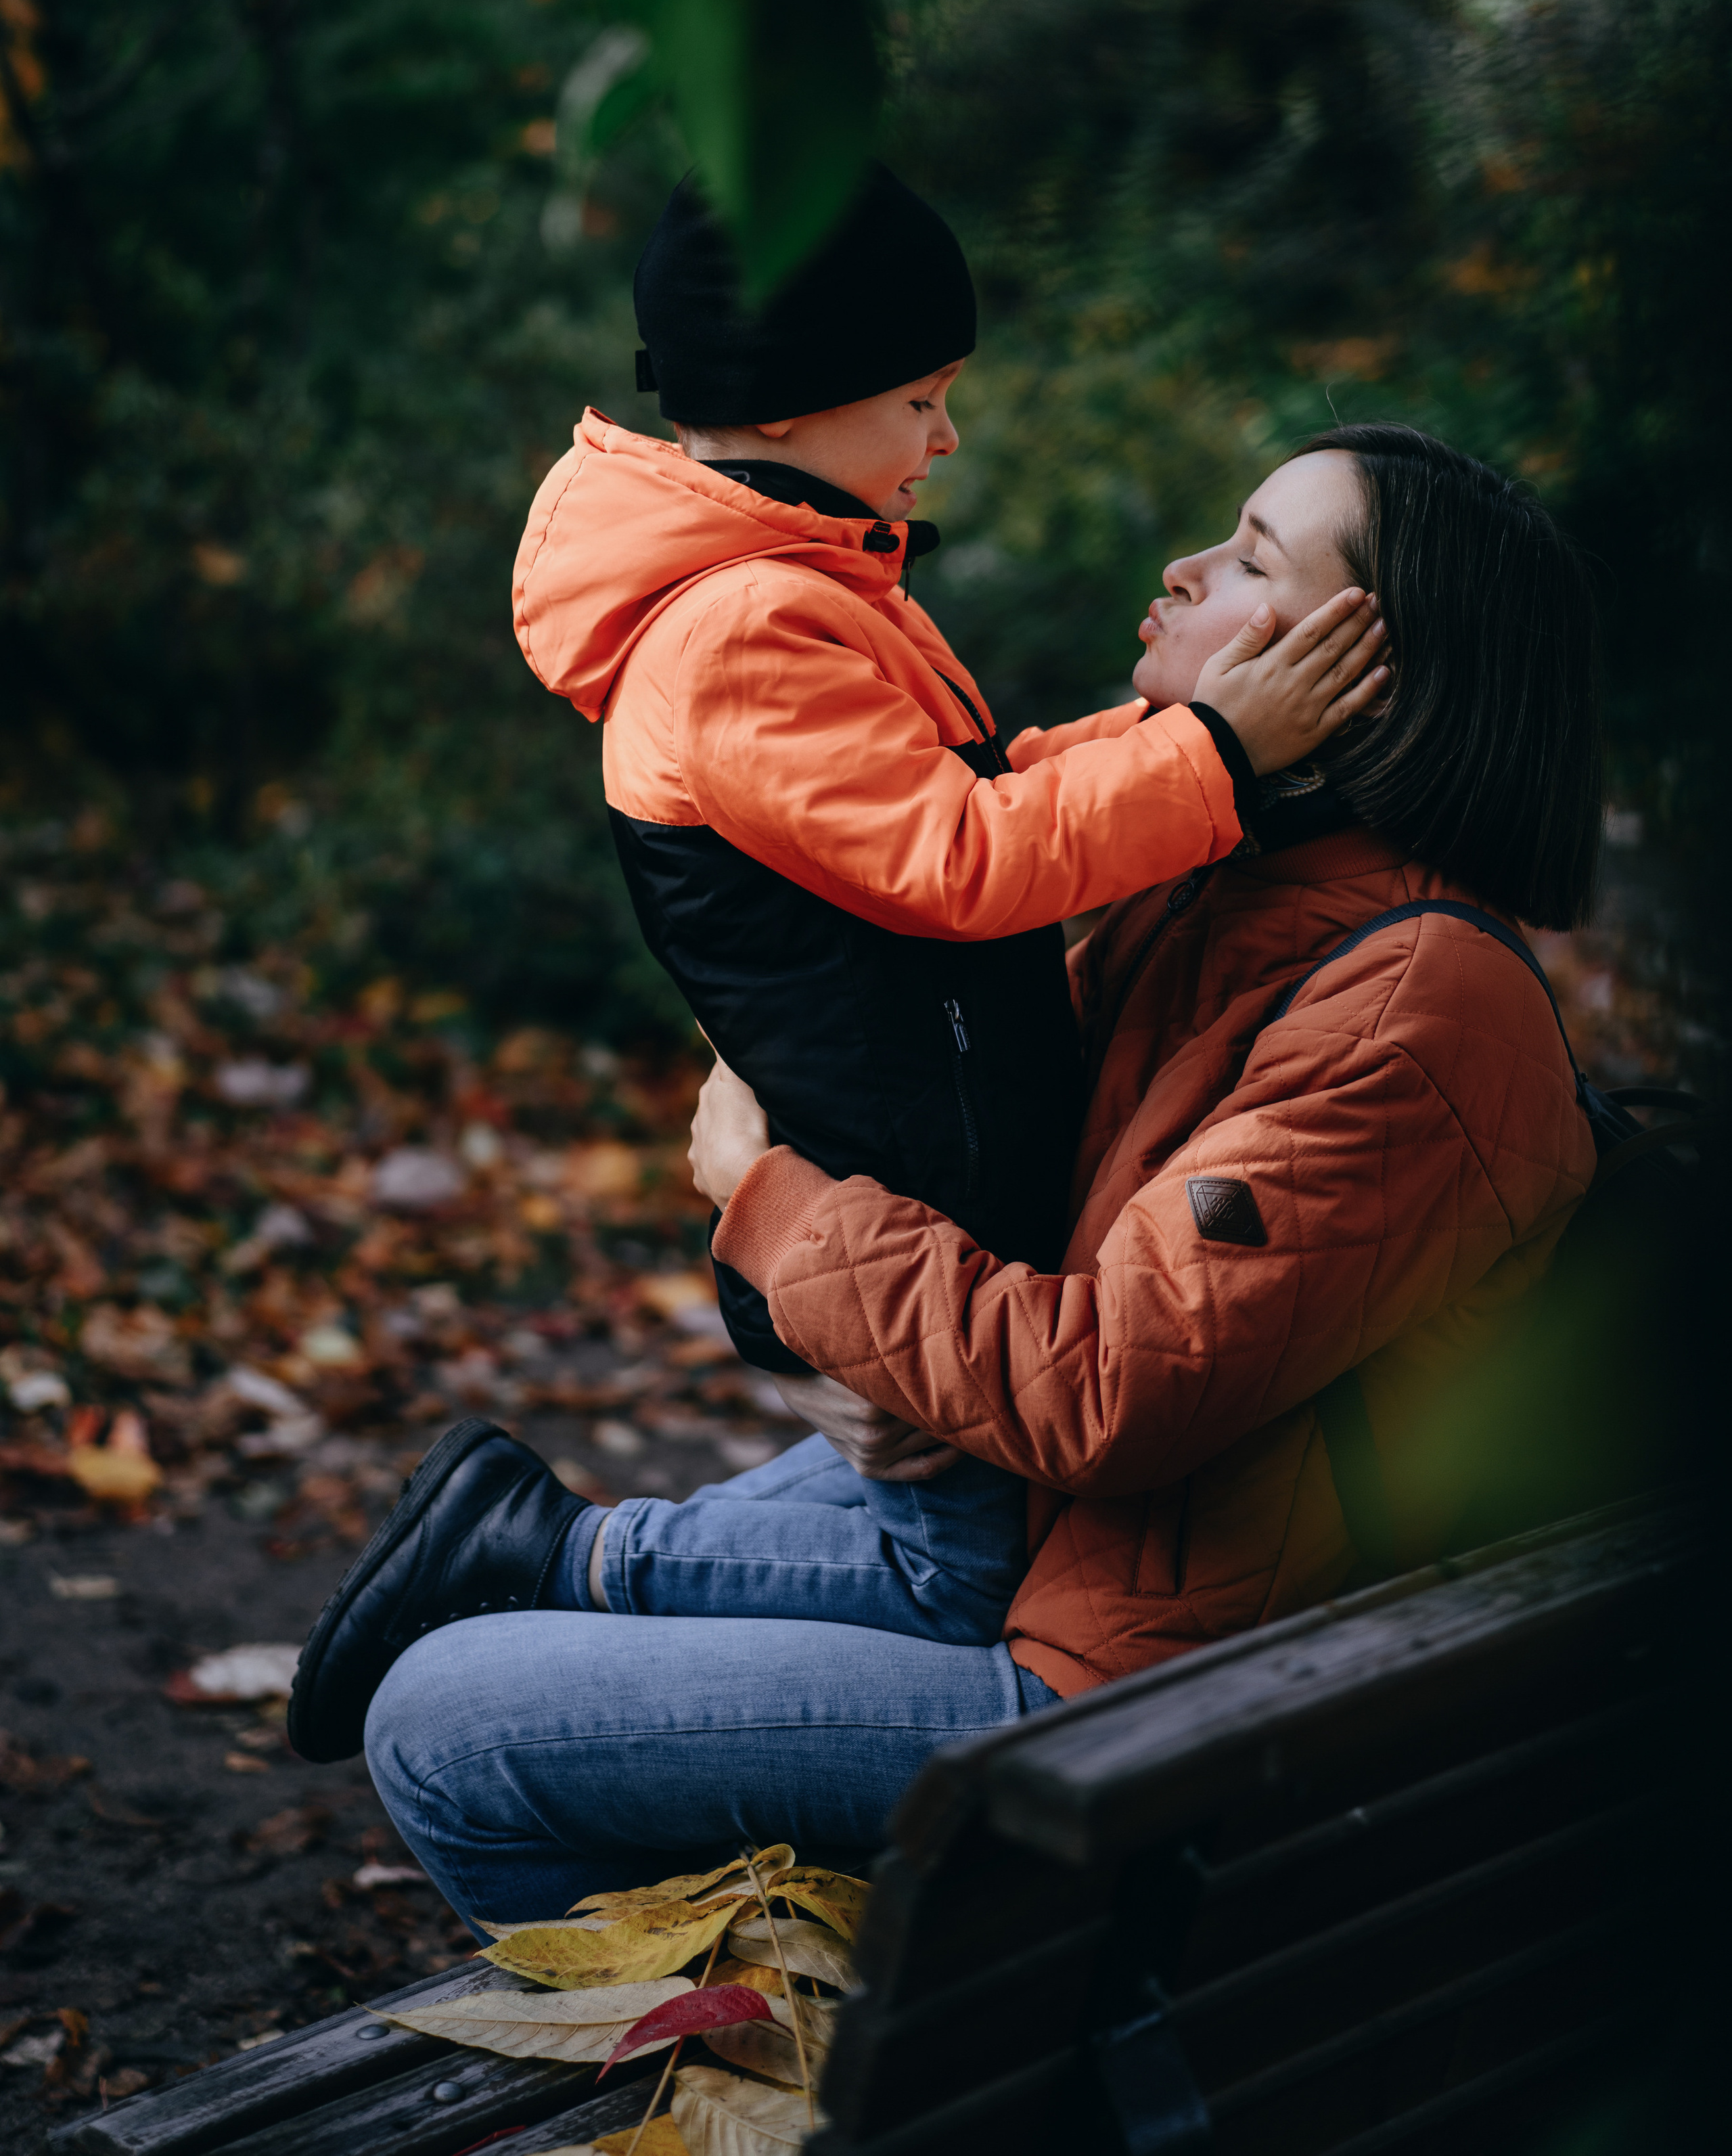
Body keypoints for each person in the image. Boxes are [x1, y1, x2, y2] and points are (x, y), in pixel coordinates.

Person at [357, 423, 1601, 1927]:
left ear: (1362, 674)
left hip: (1143, 1706)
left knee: (440, 1722)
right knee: (722, 1534)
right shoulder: (1240, 900)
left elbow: (1098, 1390)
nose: (1184, 571)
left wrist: (775, 1208)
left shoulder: (1414, 1015)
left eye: (1252, 560)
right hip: (1086, 1568)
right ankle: (566, 1567)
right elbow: (993, 1157)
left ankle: (755, 2037)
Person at [286, 170, 1384, 1766]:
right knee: (952, 1574)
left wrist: (1186, 749)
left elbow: (988, 790)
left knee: (960, 1543)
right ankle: (535, 1556)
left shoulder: (798, 582)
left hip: (921, 1133)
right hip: (897, 1162)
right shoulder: (740, 630)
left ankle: (562, 1576)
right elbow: (970, 864)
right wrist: (1213, 748)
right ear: (798, 408)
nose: (943, 438)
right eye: (921, 400)